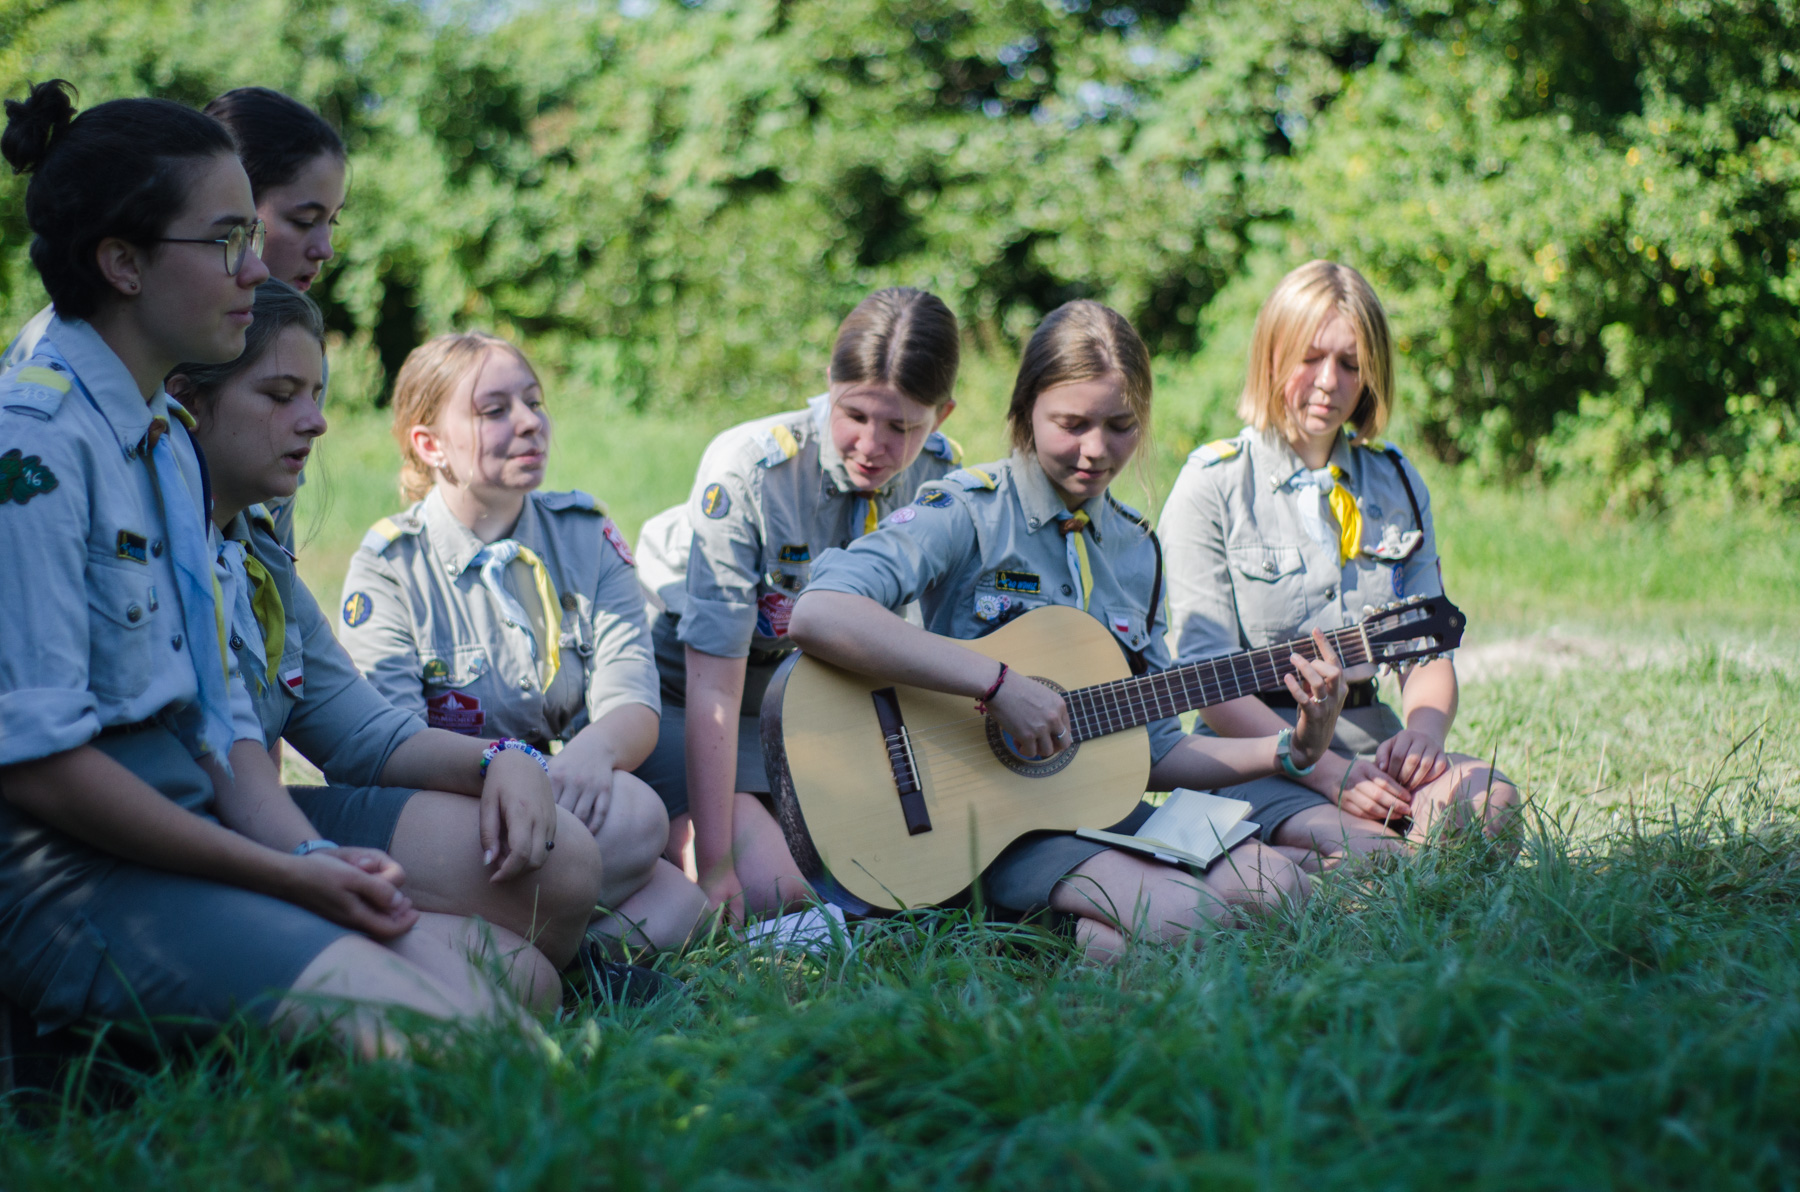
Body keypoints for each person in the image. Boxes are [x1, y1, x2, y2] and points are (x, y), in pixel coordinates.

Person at [0, 81, 538, 1058]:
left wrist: (311, 856)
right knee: (445, 1046)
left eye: (253, 236)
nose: (257, 269)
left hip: (199, 835)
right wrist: (283, 874)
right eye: (224, 242)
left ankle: (214, 1052)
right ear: (122, 263)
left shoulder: (162, 436)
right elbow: (42, 769)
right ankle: (81, 1057)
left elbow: (224, 725)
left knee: (496, 1009)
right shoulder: (34, 446)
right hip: (79, 879)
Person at [787, 300, 1344, 961]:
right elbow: (820, 612)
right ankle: (1065, 932)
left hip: (1097, 811)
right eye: (1072, 424)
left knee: (1279, 888)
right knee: (1184, 917)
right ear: (1027, 410)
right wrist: (998, 684)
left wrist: (1292, 749)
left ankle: (1080, 941)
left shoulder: (1136, 549)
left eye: (1120, 426)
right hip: (989, 828)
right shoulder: (969, 511)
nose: (1096, 449)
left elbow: (1157, 749)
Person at [172, 279, 628, 999]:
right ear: (187, 403)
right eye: (281, 395)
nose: (317, 422)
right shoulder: (162, 551)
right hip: (182, 843)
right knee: (513, 982)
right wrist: (308, 860)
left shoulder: (253, 549)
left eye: (316, 395)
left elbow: (364, 735)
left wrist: (502, 756)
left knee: (549, 916)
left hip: (261, 824)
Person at [338, 332, 707, 955]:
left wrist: (591, 753)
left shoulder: (584, 535)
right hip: (452, 808)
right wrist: (510, 774)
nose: (530, 422)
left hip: (562, 792)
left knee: (681, 901)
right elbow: (389, 750)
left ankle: (512, 953)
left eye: (534, 402)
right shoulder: (391, 568)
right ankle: (538, 947)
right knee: (639, 822)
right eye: (494, 411)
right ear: (429, 445)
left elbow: (631, 696)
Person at [1158, 260, 1518, 870]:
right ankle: (1373, 871)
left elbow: (1427, 649)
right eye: (1310, 358)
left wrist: (1422, 739)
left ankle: (1396, 875)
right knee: (1367, 848)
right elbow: (1203, 675)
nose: (1329, 381)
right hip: (1256, 752)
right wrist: (1323, 770)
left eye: (1351, 364)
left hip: (1371, 740)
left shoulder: (1395, 480)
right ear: (1272, 356)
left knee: (1493, 803)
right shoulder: (1212, 483)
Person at [633, 286, 965, 919]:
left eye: (901, 427)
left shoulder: (940, 477)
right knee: (780, 896)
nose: (871, 444)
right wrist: (718, 869)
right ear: (828, 384)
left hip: (810, 712)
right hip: (688, 701)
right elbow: (713, 688)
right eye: (854, 414)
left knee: (894, 874)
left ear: (941, 416)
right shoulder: (750, 471)